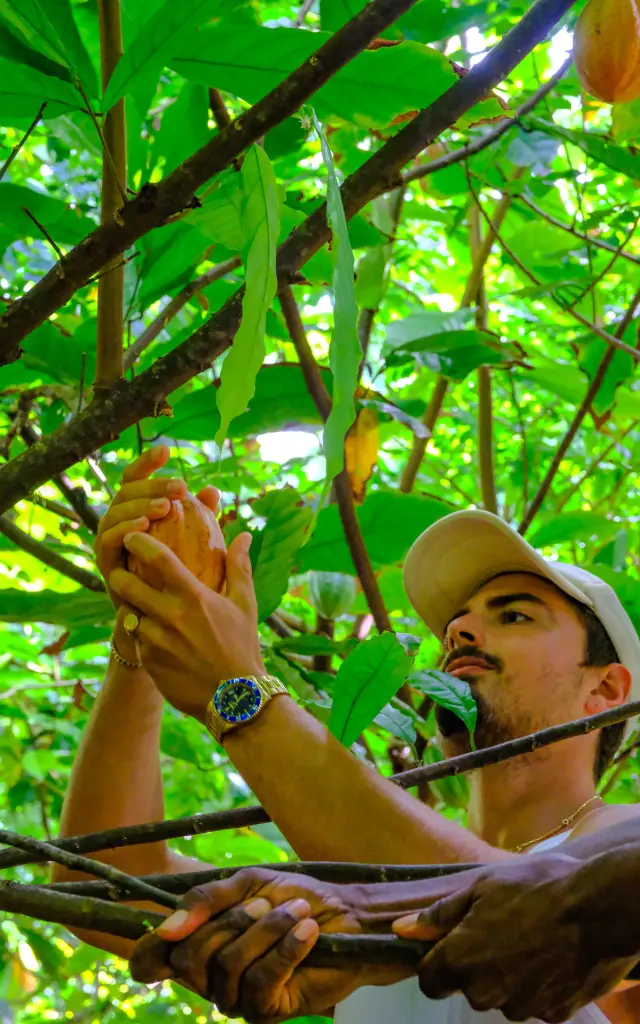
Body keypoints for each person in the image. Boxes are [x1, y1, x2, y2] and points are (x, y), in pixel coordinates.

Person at [52, 445, 640, 1024]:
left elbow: (519, 898)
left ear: (608, 689)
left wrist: (236, 687)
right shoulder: (357, 891)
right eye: (456, 623)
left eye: (515, 615)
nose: (460, 630)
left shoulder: (623, 842)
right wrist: (143, 626)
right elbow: (101, 885)